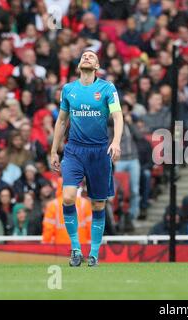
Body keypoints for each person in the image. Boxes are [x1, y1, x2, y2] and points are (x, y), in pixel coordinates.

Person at [51, 50, 123, 267]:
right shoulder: (69, 90)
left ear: (97, 65)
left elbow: (118, 116)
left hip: (99, 151)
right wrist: (54, 150)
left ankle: (93, 252)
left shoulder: (107, 88)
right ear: (78, 65)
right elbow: (62, 121)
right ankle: (75, 249)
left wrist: (116, 141)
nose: (86, 57)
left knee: (99, 204)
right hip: (74, 150)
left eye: (91, 56)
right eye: (83, 55)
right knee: (69, 197)